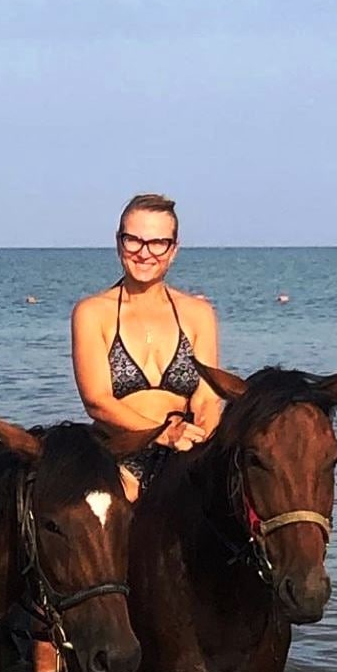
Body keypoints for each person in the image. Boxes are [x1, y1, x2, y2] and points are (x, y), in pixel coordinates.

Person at [71, 193, 222, 502]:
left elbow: (207, 398)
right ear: (119, 243)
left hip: (182, 457)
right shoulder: (92, 312)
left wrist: (204, 447)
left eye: (158, 243)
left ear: (174, 249)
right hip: (117, 461)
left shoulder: (198, 313)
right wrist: (162, 433)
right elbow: (97, 401)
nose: (144, 253)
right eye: (134, 241)